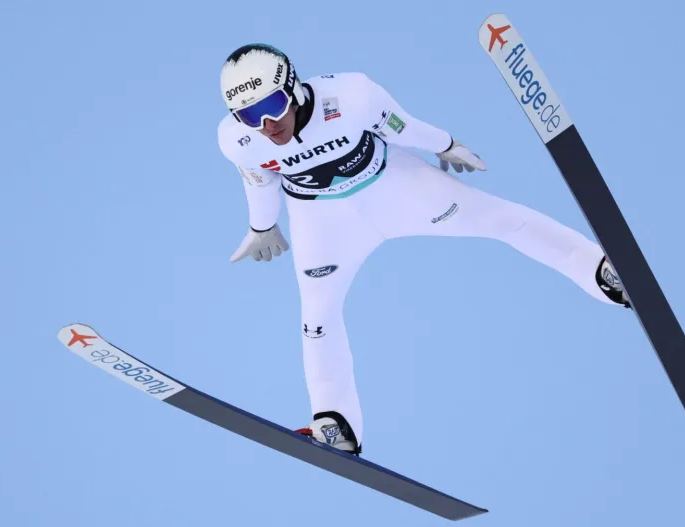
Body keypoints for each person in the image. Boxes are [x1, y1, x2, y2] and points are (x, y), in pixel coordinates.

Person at [216, 43, 629, 456]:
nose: (266, 124)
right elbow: (258, 181)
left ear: (292, 87)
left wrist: (444, 144)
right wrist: (262, 227)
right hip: (322, 223)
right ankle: (335, 422)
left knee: (502, 219)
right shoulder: (238, 140)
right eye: (249, 115)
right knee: (316, 319)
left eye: (271, 105)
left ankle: (601, 272)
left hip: (396, 187)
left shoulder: (350, 95)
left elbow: (403, 126)